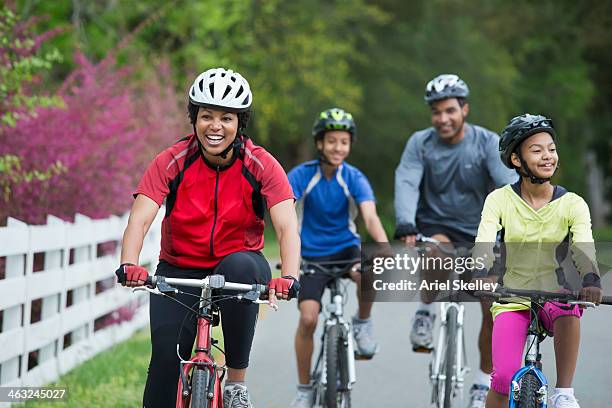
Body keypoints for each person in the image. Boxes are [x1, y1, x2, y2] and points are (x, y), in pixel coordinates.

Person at [115, 67, 301, 408]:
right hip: (179, 269)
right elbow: (140, 219)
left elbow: (287, 226)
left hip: (240, 265)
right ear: (194, 118)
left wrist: (288, 276)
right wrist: (129, 264)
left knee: (241, 268)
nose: (216, 126)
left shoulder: (261, 164)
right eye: (206, 116)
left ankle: (236, 386)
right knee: (164, 366)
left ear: (240, 123)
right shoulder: (172, 160)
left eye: (226, 118)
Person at [394, 74, 517, 407]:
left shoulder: (487, 142)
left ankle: (482, 382)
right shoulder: (420, 143)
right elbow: (406, 181)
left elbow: (509, 185)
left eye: (449, 110)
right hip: (437, 225)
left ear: (465, 109)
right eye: (436, 112)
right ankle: (425, 310)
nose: (443, 119)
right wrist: (405, 220)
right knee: (435, 250)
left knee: (494, 307)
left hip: (482, 232)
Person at [474, 114, 602, 408]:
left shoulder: (572, 204)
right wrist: (481, 270)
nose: (547, 156)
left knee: (570, 307)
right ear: (516, 160)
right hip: (511, 298)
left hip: (556, 296)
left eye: (551, 149)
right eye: (537, 150)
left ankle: (564, 393)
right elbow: (484, 240)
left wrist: (591, 279)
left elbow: (584, 247)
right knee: (504, 380)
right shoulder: (498, 200)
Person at [287, 108, 389, 408]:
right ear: (320, 143)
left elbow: (369, 217)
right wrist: (289, 254)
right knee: (308, 319)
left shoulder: (354, 177)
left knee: (369, 270)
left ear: (350, 145)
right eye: (331, 141)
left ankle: (362, 322)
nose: (337, 148)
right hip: (311, 254)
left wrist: (383, 247)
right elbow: (286, 215)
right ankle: (305, 389)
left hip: (346, 249)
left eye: (344, 142)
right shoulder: (302, 175)